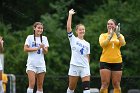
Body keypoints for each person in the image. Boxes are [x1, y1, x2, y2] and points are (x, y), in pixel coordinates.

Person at [66, 9, 91, 93]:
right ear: (76, 31)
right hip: (74, 65)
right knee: (71, 88)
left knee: (87, 89)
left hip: (85, 67)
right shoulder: (73, 39)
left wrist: (87, 67)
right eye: (80, 29)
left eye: (83, 29)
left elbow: (87, 57)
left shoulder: (87, 44)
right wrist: (70, 14)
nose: (82, 31)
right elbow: (68, 28)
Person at [99, 19, 126, 93]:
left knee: (116, 84)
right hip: (105, 61)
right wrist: (110, 36)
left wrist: (118, 34)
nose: (109, 25)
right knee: (105, 84)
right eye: (108, 24)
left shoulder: (119, 35)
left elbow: (123, 43)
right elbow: (103, 44)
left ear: (115, 26)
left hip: (117, 62)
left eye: (111, 24)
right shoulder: (103, 35)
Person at [24, 22, 49, 93]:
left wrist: (43, 47)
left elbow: (46, 52)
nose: (40, 30)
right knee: (32, 84)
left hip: (41, 64)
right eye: (38, 28)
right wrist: (37, 48)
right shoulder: (29, 37)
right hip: (31, 64)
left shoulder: (44, 38)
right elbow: (25, 49)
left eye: (41, 28)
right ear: (34, 28)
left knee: (40, 86)